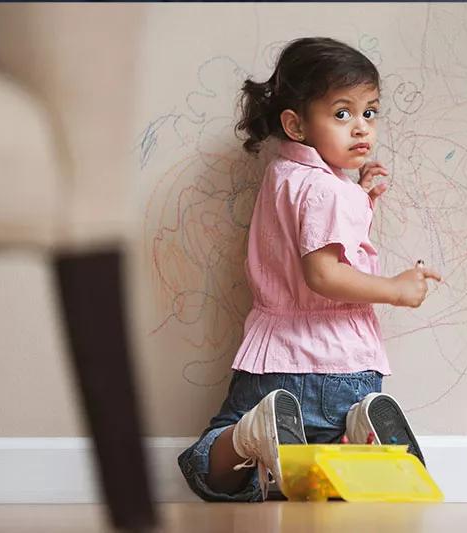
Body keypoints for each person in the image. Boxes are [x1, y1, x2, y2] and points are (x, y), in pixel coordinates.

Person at [178, 37, 442, 502]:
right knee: (325, 474)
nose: (361, 128)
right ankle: (359, 437)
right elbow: (322, 274)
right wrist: (396, 290)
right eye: (342, 114)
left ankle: (251, 432)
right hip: (349, 370)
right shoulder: (329, 191)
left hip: (279, 364)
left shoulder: (282, 175)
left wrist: (357, 198)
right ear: (296, 125)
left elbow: (300, 240)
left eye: (370, 112)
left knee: (218, 465)